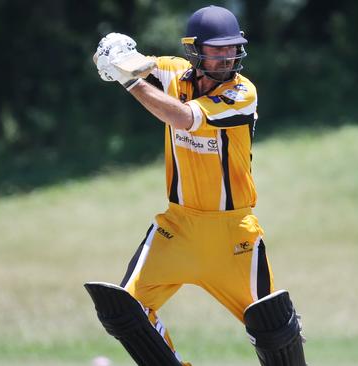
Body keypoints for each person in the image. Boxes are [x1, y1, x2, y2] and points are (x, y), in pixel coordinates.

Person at [84, 5, 306, 366]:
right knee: (124, 310)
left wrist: (128, 80)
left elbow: (184, 118)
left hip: (232, 233)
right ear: (194, 50)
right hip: (178, 227)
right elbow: (141, 62)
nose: (226, 56)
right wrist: (114, 54)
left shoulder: (241, 93)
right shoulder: (174, 71)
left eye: (232, 48)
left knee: (273, 327)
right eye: (216, 50)